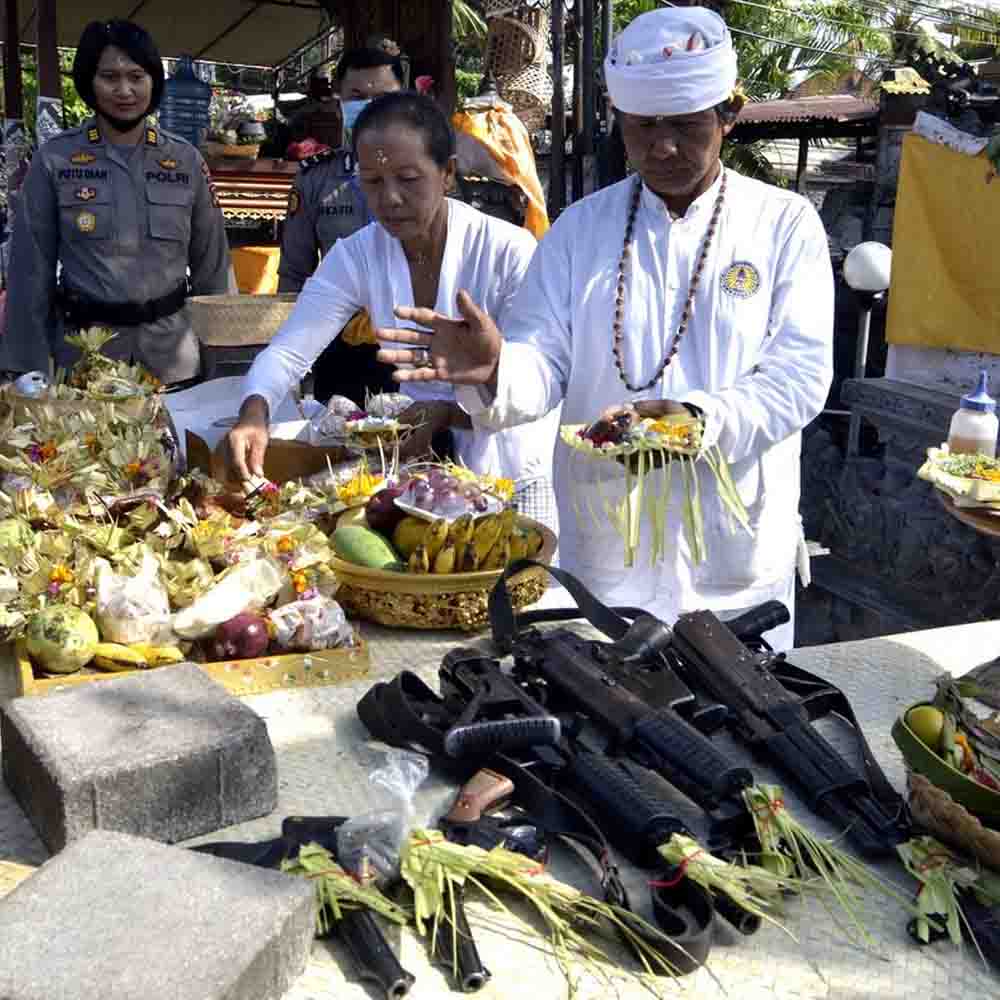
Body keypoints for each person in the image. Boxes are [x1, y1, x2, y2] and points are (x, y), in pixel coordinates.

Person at [373, 8, 834, 650]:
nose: (663, 147)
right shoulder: (579, 230)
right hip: (608, 559)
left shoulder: (784, 224)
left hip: (736, 564)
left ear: (728, 115)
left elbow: (800, 378)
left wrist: (698, 421)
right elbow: (540, 364)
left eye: (685, 124)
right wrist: (495, 369)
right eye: (643, 128)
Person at [228, 92, 559, 530]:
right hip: (420, 472)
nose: (390, 199)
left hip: (510, 464)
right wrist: (254, 412)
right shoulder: (357, 254)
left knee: (515, 587)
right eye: (373, 181)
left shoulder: (508, 250)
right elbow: (290, 351)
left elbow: (539, 384)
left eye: (408, 178)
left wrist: (451, 408)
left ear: (447, 174)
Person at [0, 19, 230, 384]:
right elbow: (30, 274)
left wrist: (222, 370)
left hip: (171, 358)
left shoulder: (186, 161)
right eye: (110, 77)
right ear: (90, 83)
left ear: (153, 82)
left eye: (136, 77)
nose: (125, 90)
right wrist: (23, 373)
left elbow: (213, 269)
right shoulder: (55, 160)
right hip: (86, 362)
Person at [277, 43, 406, 407]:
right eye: (357, 96)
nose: (369, 105)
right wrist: (289, 364)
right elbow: (294, 273)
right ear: (339, 100)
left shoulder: (424, 178)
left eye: (382, 96)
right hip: (337, 342)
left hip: (410, 341)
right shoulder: (316, 178)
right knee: (335, 451)